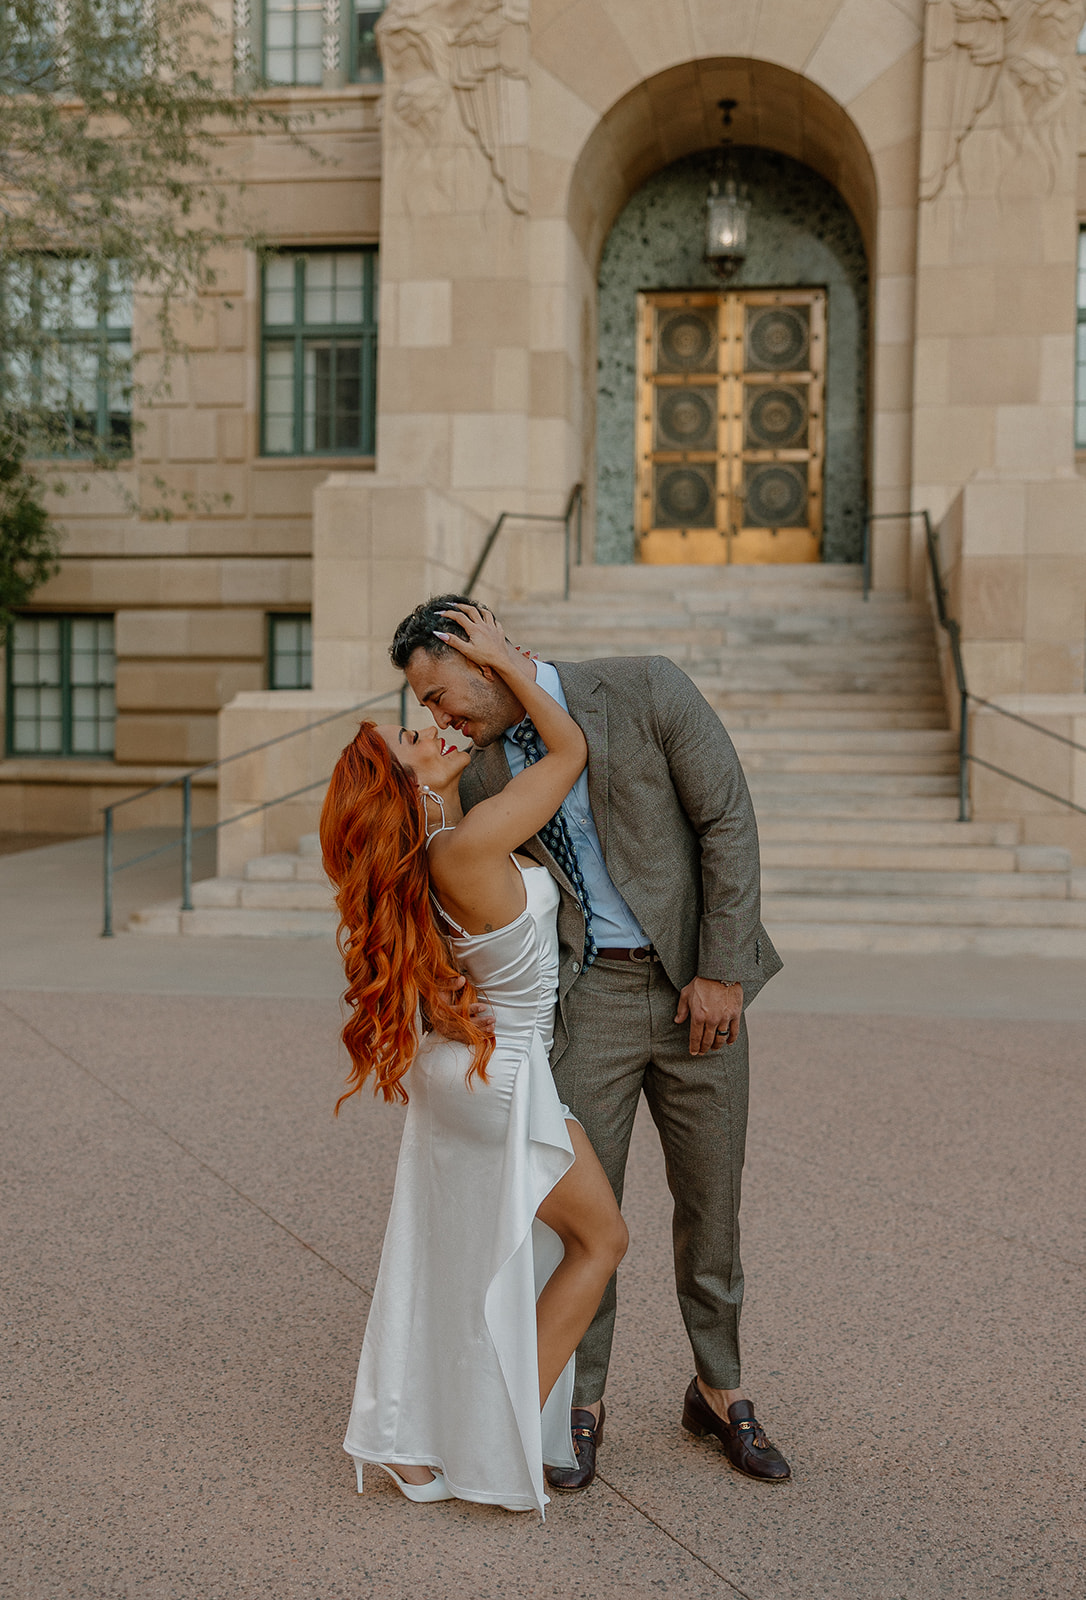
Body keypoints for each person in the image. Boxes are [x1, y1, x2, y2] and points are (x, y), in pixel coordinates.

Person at [389, 594, 791, 1491]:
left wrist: (721, 970)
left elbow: (727, 821)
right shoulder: (478, 772)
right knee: (582, 1216)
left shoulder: (646, 688)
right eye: (426, 708)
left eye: (441, 694)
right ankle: (582, 1402)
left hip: (696, 989)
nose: (440, 719)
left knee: (711, 1202)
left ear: (484, 660)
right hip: (586, 1001)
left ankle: (721, 1389)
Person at [321, 603, 627, 1517]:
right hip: (504, 1076)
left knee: (456, 1264)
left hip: (469, 1069)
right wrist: (506, 662)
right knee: (600, 1240)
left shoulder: (434, 850)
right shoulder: (466, 848)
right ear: (405, 784)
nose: (434, 730)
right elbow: (571, 752)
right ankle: (489, 1432)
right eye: (414, 737)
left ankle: (418, 1438)